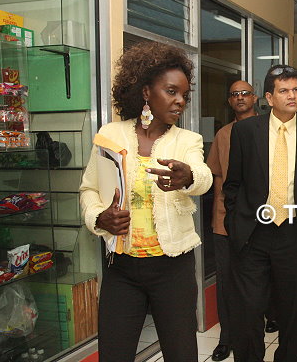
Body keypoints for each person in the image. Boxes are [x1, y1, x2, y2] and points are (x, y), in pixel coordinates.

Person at [80, 42, 213, 362]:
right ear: (145, 92)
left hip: (173, 268)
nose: (180, 100)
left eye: (184, 94)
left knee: (181, 353)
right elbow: (88, 189)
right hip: (122, 268)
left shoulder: (188, 140)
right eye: (171, 91)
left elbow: (204, 177)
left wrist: (188, 176)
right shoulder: (109, 135)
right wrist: (99, 217)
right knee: (114, 354)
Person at [223, 65, 297, 362]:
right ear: (269, 98)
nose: (292, 95)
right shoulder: (246, 131)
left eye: (295, 90)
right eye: (284, 91)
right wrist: (235, 222)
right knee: (248, 311)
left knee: (293, 315)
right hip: (253, 233)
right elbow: (233, 184)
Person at [206, 80, 273, 361]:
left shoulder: (270, 129)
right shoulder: (223, 134)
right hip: (227, 220)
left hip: (263, 220)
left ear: (255, 98)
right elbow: (216, 177)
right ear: (229, 101)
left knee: (263, 277)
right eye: (234, 94)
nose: (240, 97)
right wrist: (219, 216)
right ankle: (227, 338)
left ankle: (268, 316)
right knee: (226, 281)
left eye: (245, 93)